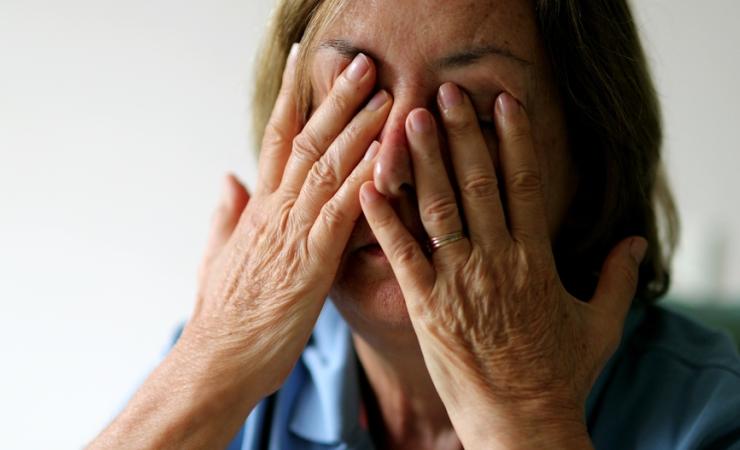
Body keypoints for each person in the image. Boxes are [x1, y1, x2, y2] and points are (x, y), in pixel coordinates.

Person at [89, 0, 740, 449]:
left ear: (590, 160)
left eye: (472, 116)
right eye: (355, 98)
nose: (392, 172)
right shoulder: (232, 375)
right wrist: (202, 374)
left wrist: (526, 421)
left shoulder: (712, 414)